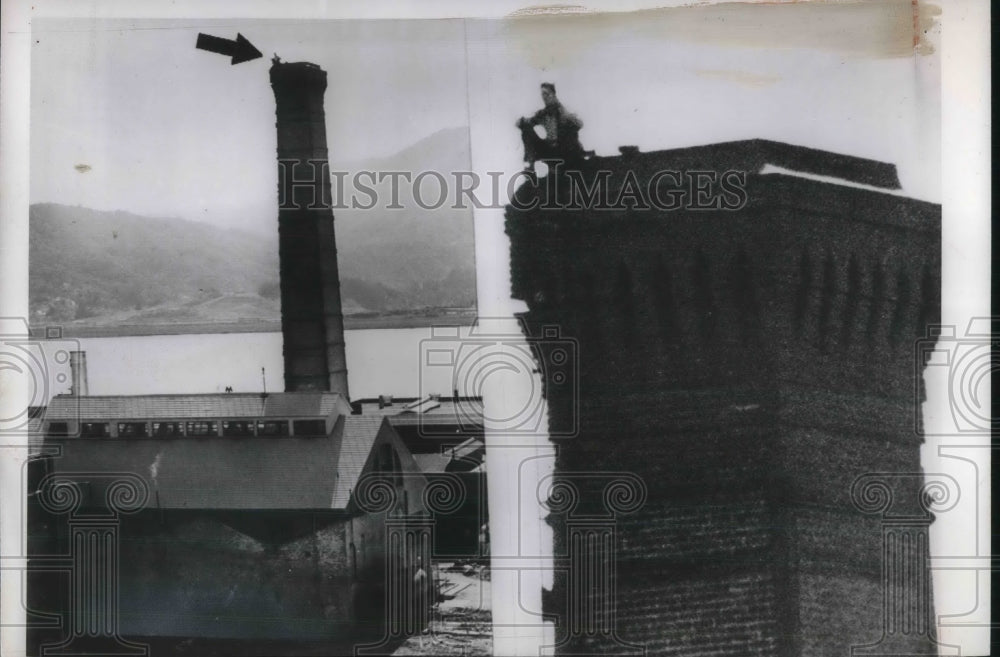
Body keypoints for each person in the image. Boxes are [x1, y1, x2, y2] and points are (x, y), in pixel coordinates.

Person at [517, 82, 585, 168]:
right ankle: (529, 165)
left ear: (553, 94)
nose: (544, 97)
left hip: (564, 149)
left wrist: (568, 118)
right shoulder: (542, 113)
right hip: (549, 149)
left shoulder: (563, 111)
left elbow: (579, 123)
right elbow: (529, 121)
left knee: (570, 129)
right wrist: (522, 122)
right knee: (526, 130)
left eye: (546, 94)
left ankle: (569, 164)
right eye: (542, 94)